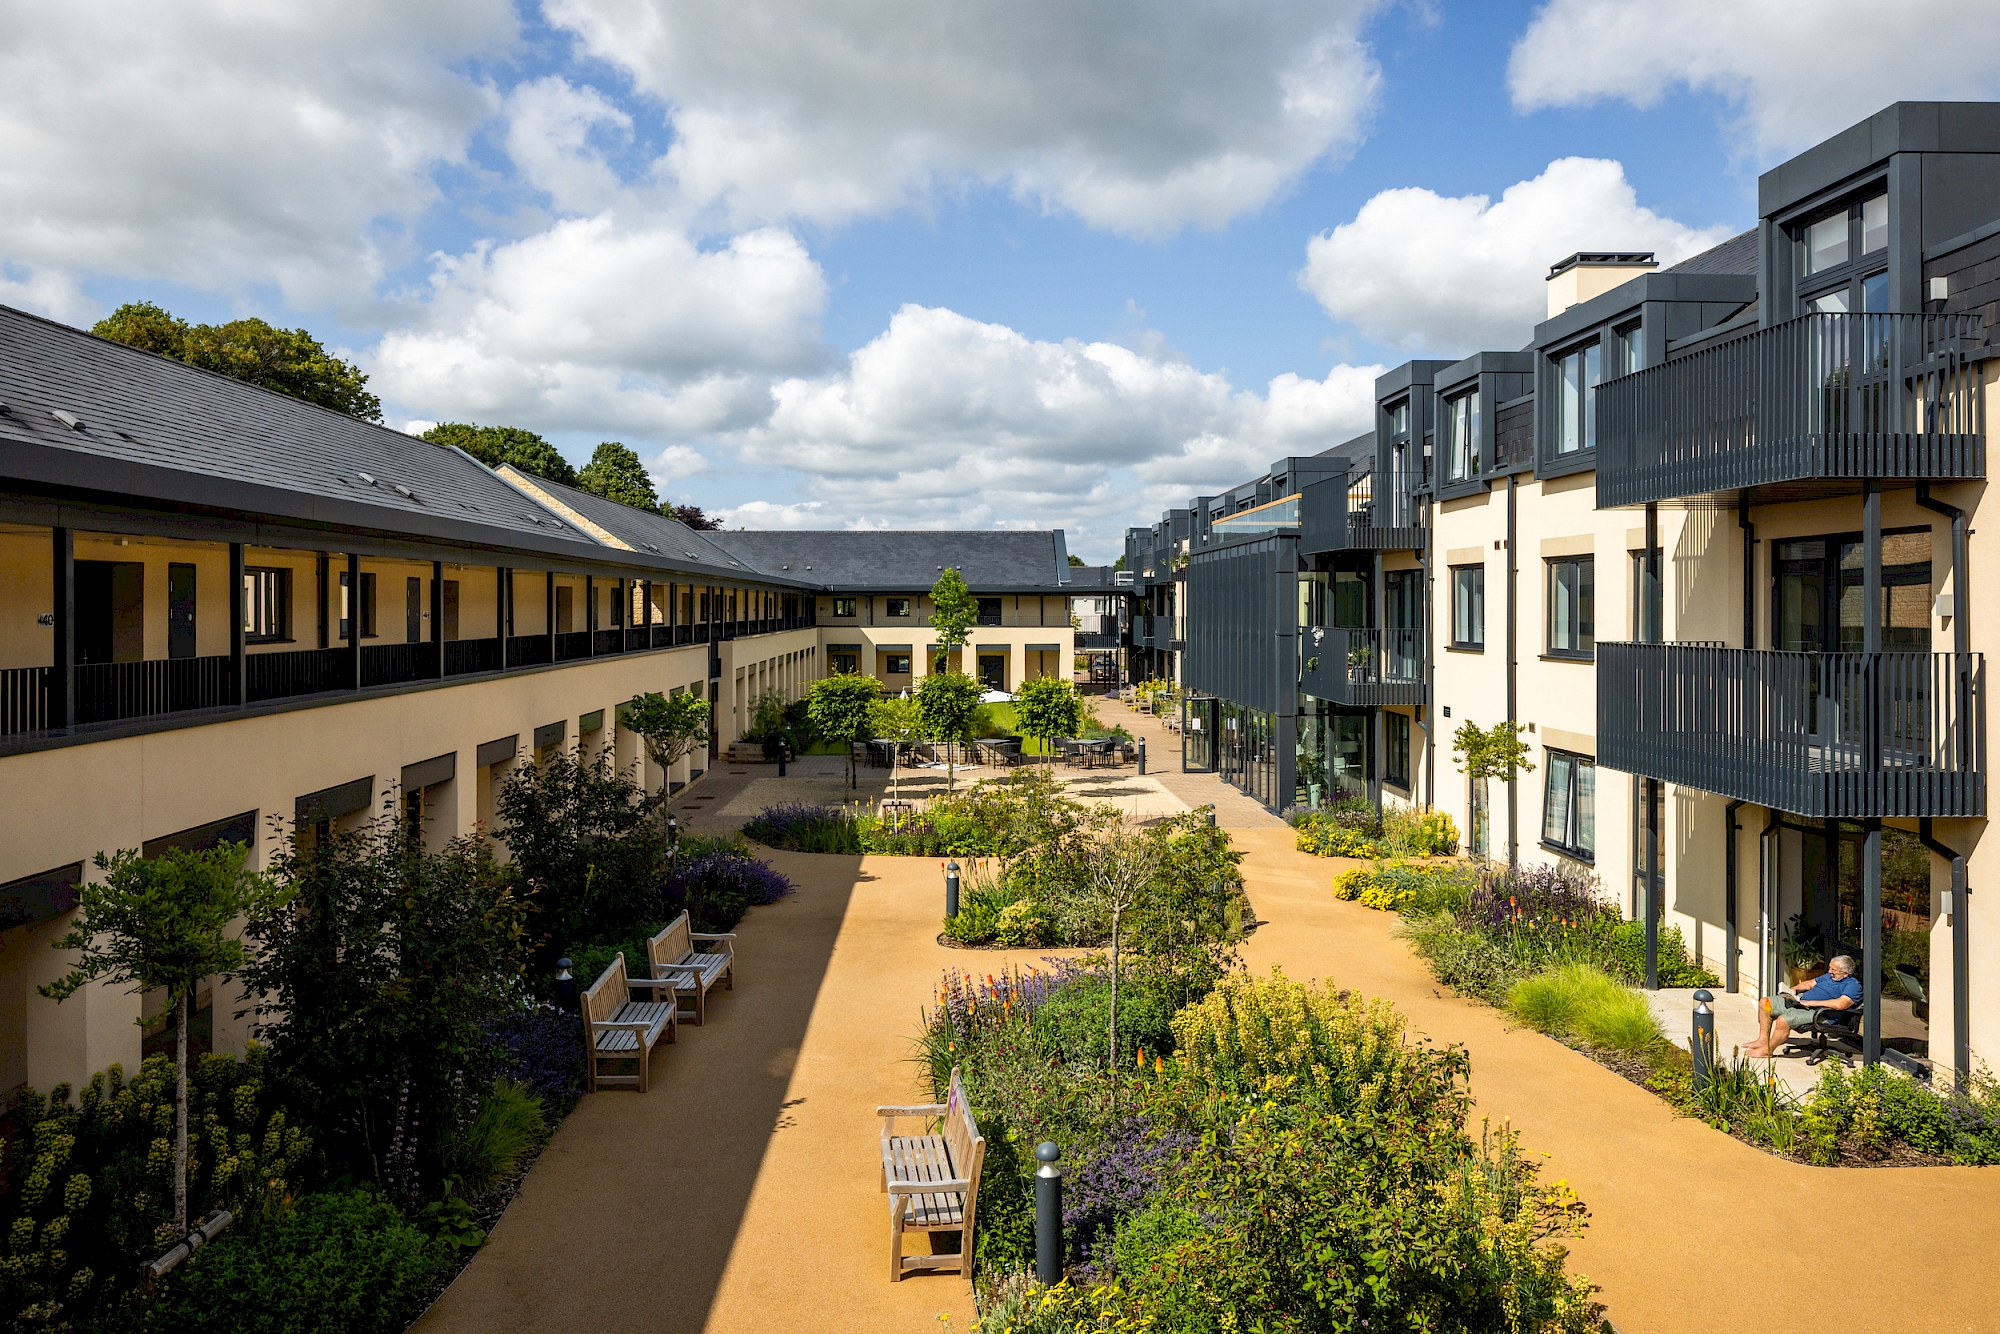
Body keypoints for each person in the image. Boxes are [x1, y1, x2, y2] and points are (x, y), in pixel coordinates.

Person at [1745, 955, 1861, 1057]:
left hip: (1821, 1013)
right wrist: (1795, 989)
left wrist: (1810, 1003)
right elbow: (1810, 983)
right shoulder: (1829, 976)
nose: (1829, 971)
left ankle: (1767, 1051)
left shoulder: (1853, 986)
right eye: (1830, 968)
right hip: (1801, 1002)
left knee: (1783, 1020)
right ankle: (1763, 1039)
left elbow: (1840, 1004)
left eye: (1833, 970)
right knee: (1765, 1002)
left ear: (1846, 973)